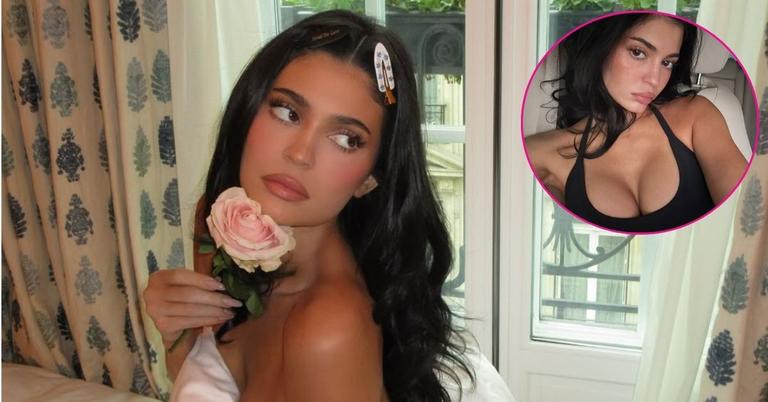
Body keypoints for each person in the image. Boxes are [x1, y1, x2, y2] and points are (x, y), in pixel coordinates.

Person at [144, 10, 512, 402]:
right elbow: (201, 379)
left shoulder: (331, 329)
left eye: (346, 139)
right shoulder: (217, 222)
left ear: (369, 178)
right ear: (248, 110)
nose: (300, 154)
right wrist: (175, 334)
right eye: (287, 112)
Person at [525, 12, 747, 233]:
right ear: (602, 44)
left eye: (667, 63)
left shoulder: (695, 116)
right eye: (638, 52)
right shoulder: (542, 155)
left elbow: (750, 216)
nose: (654, 79)